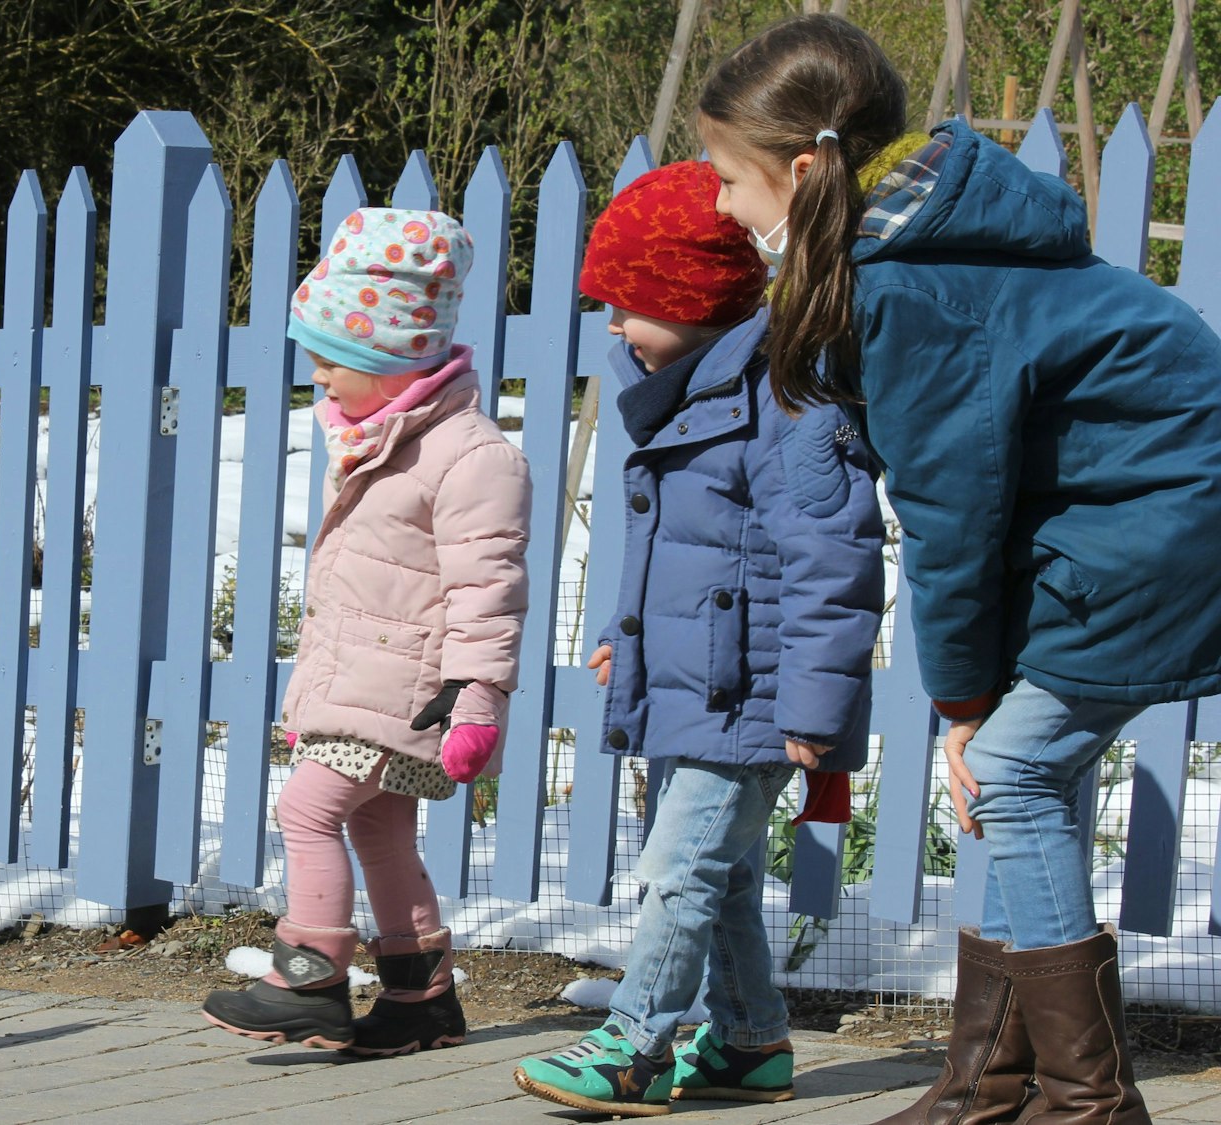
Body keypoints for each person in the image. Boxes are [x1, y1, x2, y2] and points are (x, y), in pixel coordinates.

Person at [694, 14, 1221, 1123]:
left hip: (1160, 529)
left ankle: (1087, 1104)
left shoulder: (910, 287)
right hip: (1124, 523)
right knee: (1038, 785)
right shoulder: (918, 251)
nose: (717, 206)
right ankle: (985, 1084)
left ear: (799, 169)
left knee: (1014, 773)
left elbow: (950, 513)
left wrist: (963, 703)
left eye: (726, 179)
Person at [512, 160, 885, 1117]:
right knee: (717, 878)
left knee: (679, 872)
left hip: (752, 697)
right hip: (697, 683)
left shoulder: (790, 403)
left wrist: (815, 705)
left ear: (694, 301)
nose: (612, 325)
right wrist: (626, 640)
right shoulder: (691, 394)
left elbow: (832, 563)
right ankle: (751, 1040)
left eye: (628, 302)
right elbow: (690, 555)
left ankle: (635, 1042)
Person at [200, 206, 531, 1057]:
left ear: (394, 360)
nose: (318, 378)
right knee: (380, 827)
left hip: (413, 693)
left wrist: (479, 700)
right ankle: (420, 995)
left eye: (331, 360)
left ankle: (309, 975)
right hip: (372, 682)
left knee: (306, 807)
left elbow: (487, 590)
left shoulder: (470, 455)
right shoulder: (385, 440)